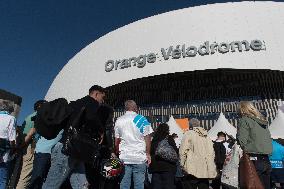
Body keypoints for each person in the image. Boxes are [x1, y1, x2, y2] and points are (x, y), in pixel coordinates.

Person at [42, 85, 106, 189]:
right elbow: (91, 117)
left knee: (81, 185)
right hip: (68, 150)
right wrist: (101, 130)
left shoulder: (74, 104)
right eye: (102, 98)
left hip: (74, 150)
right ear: (96, 94)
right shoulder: (91, 102)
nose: (102, 101)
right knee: (52, 184)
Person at [114, 100, 153, 189]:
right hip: (139, 158)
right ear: (135, 108)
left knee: (124, 185)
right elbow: (148, 139)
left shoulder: (119, 120)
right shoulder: (142, 119)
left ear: (126, 109)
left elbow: (117, 140)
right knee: (139, 185)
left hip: (124, 158)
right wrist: (148, 153)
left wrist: (116, 151)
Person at [237, 101, 272, 189]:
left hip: (253, 157)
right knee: (265, 185)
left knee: (253, 185)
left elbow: (242, 141)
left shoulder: (244, 120)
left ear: (241, 110)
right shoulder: (262, 121)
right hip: (266, 158)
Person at [16, 100, 46, 189]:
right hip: (30, 146)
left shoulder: (28, 117)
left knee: (21, 173)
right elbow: (31, 133)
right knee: (26, 176)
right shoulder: (38, 117)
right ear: (40, 106)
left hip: (24, 147)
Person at [179, 118, 217, 189]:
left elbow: (183, 151)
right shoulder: (206, 136)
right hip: (205, 167)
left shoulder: (188, 134)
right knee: (204, 185)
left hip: (191, 167)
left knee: (189, 185)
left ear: (190, 126)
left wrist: (182, 164)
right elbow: (212, 152)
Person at [149, 123, 178, 189]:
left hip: (156, 167)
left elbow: (151, 152)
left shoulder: (154, 139)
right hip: (168, 167)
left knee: (156, 186)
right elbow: (175, 152)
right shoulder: (169, 138)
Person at [0, 100, 17, 188]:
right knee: (2, 177)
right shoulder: (11, 118)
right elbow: (12, 137)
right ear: (10, 109)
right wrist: (13, 149)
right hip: (3, 147)